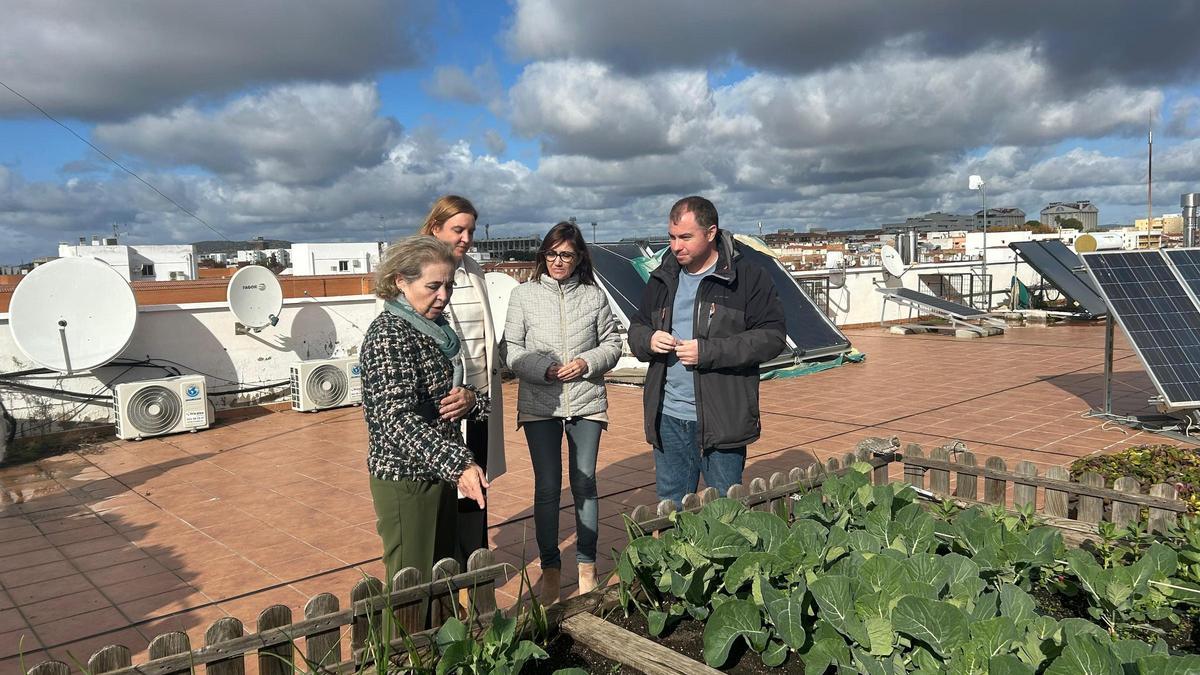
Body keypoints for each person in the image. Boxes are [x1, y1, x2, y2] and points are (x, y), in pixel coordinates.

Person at [627, 196, 786, 506]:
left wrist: (708, 352)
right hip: (669, 416)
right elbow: (637, 327)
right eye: (672, 237)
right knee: (671, 507)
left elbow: (772, 337)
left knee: (726, 509)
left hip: (723, 418)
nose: (675, 246)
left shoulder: (747, 278)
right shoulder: (663, 278)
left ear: (711, 232)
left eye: (686, 237)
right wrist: (648, 340)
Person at [360, 236, 490, 603]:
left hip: (438, 475)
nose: (443, 295)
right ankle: (402, 659)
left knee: (442, 581)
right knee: (411, 592)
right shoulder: (389, 334)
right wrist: (459, 464)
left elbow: (449, 402)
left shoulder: (437, 330)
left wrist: (470, 400)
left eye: (448, 284)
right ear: (401, 281)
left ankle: (439, 658)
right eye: (433, 286)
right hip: (406, 480)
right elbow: (395, 418)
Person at [504, 222, 622, 603]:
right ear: (543, 256)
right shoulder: (523, 296)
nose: (557, 261)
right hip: (540, 405)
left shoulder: (593, 296)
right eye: (551, 254)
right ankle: (551, 569)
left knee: (585, 482)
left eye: (566, 254)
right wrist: (542, 369)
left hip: (586, 401)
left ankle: (587, 567)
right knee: (548, 488)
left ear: (578, 258)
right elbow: (511, 349)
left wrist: (587, 363)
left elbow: (612, 343)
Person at [418, 195, 507, 566]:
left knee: (476, 489)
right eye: (458, 229)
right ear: (436, 228)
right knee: (442, 490)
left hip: (477, 402)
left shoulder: (474, 272)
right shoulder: (414, 271)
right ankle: (444, 570)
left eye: (470, 230)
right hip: (440, 408)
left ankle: (475, 567)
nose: (466, 237)